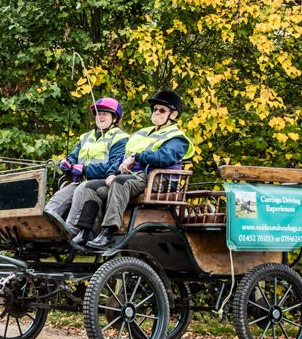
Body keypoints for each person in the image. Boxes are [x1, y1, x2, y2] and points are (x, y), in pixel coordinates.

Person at [68, 89, 196, 250]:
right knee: (91, 186)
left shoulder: (177, 138)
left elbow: (164, 157)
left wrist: (136, 157)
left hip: (156, 179)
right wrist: (112, 172)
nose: (157, 112)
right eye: (155, 109)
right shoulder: (142, 133)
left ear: (174, 115)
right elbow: (123, 156)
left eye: (162, 110)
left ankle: (108, 232)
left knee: (121, 182)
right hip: (134, 177)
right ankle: (86, 231)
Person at [42, 98, 128, 230]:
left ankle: (71, 232)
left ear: (115, 118)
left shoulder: (120, 138)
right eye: (98, 113)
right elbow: (74, 155)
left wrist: (85, 169)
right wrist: (67, 162)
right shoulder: (86, 136)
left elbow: (114, 166)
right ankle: (46, 229)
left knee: (81, 192)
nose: (100, 116)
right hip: (80, 181)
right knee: (57, 199)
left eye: (105, 114)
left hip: (103, 182)